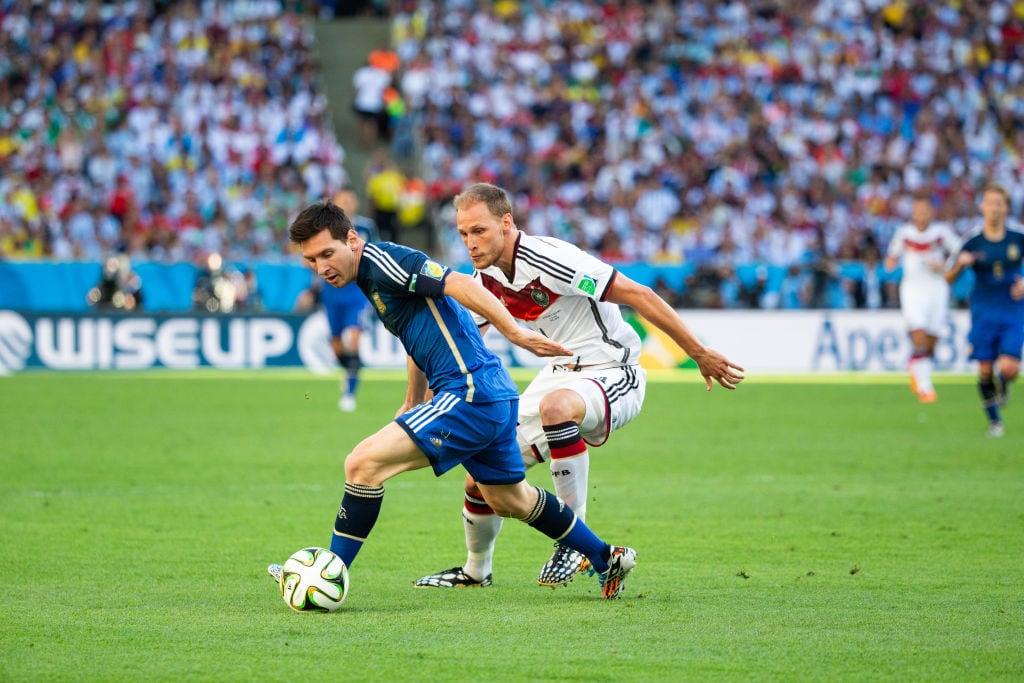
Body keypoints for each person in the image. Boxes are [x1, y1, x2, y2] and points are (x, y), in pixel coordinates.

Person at [268, 199, 639, 599]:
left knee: (361, 464)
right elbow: (414, 336)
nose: (322, 267)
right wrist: (412, 400)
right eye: (311, 261)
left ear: (352, 240)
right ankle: (607, 556)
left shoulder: (383, 261)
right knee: (509, 498)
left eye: (328, 253)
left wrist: (514, 333)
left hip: (469, 392)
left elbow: (460, 283)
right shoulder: (369, 278)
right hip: (489, 394)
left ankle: (327, 573)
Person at [415, 183, 744, 591]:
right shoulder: (484, 279)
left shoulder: (552, 259)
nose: (470, 243)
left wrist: (698, 352)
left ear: (506, 222)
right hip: (560, 372)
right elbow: (462, 340)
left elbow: (638, 295)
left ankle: (576, 539)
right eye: (463, 234)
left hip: (613, 368)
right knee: (484, 471)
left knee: (556, 408)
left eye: (478, 231)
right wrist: (428, 398)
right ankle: (475, 571)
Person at [945, 185, 1024, 437]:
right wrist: (960, 264)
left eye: (999, 203)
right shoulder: (972, 240)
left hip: (1012, 310)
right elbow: (947, 277)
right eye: (989, 202)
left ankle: (1004, 385)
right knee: (984, 369)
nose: (994, 208)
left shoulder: (1018, 237)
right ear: (982, 207)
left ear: (1006, 208)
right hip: (983, 311)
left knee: (1009, 368)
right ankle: (994, 422)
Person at [884, 195, 962, 403]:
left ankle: (916, 368)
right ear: (913, 213)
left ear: (931, 212)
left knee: (931, 342)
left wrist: (944, 264)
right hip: (913, 289)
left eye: (925, 210)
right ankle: (925, 388)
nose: (921, 214)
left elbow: (959, 252)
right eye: (918, 210)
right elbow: (891, 258)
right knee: (918, 335)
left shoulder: (941, 233)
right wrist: (890, 263)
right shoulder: (904, 233)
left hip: (937, 288)